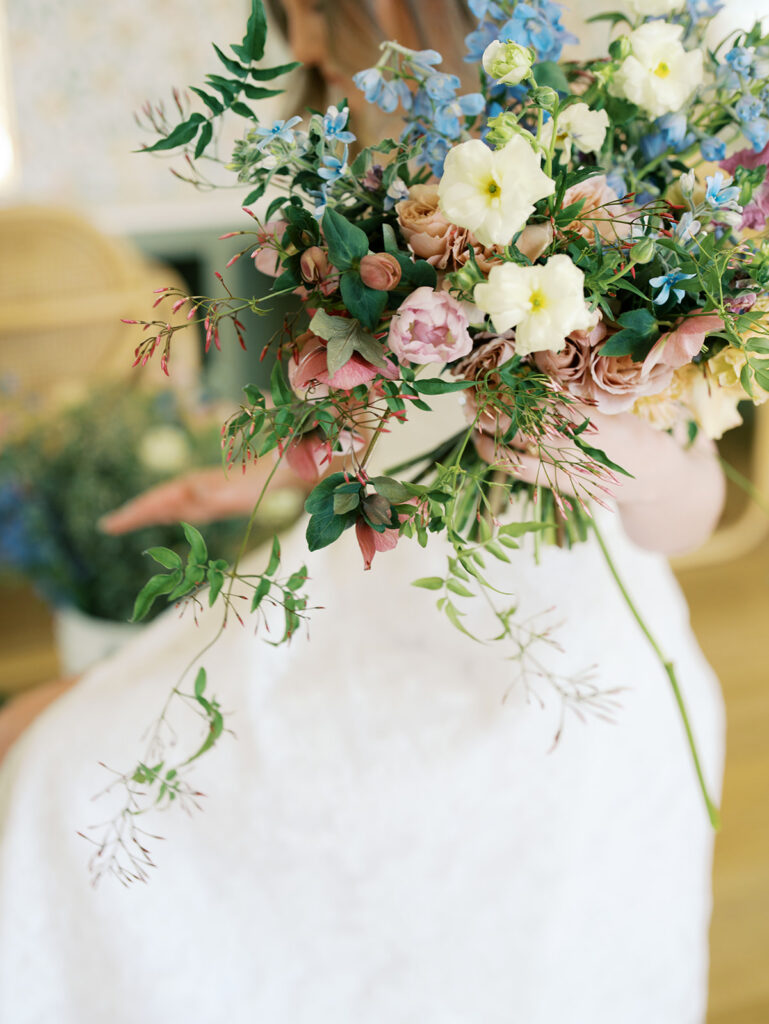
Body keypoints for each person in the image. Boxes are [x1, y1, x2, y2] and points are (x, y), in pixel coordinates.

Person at [0, 3, 729, 1022]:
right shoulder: (324, 206)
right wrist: (258, 470)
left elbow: (692, 511)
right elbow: (378, 442)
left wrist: (610, 453)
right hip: (357, 603)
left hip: (553, 664)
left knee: (60, 777)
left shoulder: (597, 185)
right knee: (49, 761)